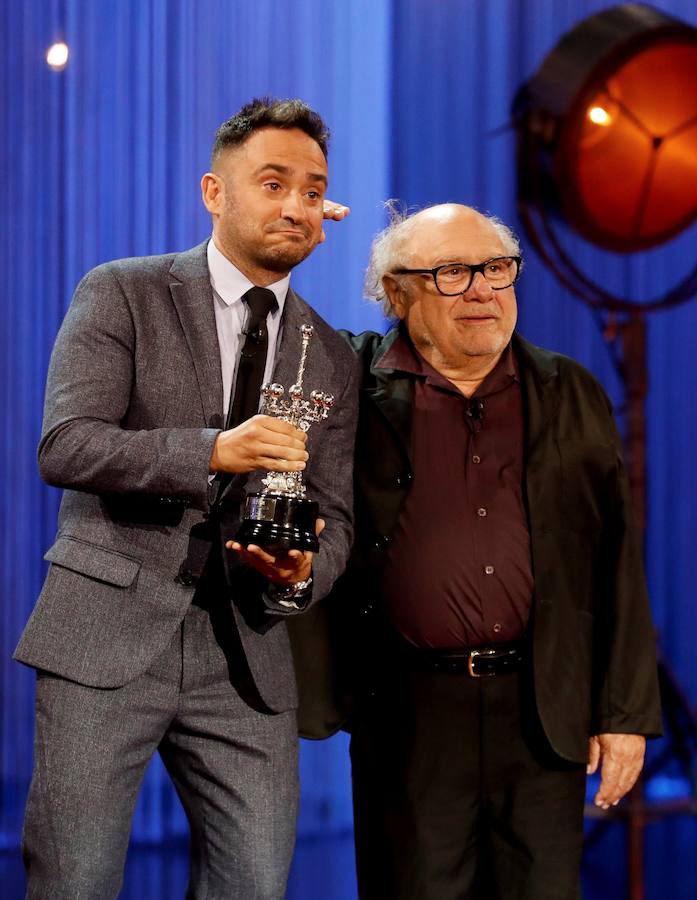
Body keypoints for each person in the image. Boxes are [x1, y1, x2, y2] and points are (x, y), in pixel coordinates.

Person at [14, 97, 359, 900]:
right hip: (104, 636)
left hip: (247, 652)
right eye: (273, 183)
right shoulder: (123, 291)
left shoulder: (332, 355)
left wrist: (298, 569)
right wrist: (212, 451)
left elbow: (334, 517)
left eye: (313, 191)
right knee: (73, 882)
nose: (296, 207)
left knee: (254, 884)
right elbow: (66, 445)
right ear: (214, 192)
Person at [326, 203, 662, 899]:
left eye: (497, 269)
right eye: (452, 272)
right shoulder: (352, 386)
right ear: (396, 291)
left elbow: (615, 562)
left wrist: (623, 715)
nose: (482, 289)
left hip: (542, 710)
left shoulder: (568, 389)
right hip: (410, 714)